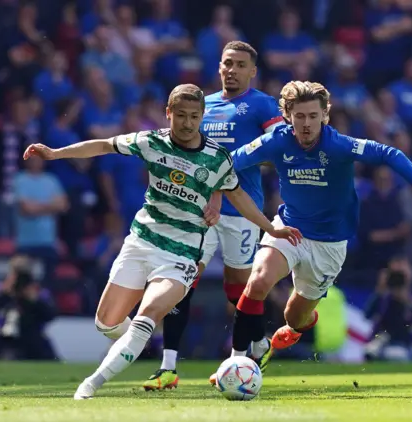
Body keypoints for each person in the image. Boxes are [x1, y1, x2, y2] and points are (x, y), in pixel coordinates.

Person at [22, 84, 301, 400]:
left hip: (180, 255)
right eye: (180, 115)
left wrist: (271, 228)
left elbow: (240, 198)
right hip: (141, 244)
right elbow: (102, 146)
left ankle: (91, 384)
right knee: (106, 324)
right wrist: (56, 153)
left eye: (194, 116)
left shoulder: (216, 159)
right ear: (168, 114)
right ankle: (137, 343)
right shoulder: (151, 141)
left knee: (147, 314)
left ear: (202, 117)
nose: (187, 122)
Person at [208, 80, 412, 384]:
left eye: (313, 116)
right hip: (289, 229)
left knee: (294, 318)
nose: (307, 123)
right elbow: (229, 163)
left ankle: (302, 322)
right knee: (257, 282)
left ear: (325, 114)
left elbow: (390, 154)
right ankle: (237, 362)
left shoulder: (339, 145)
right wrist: (214, 189)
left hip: (329, 245)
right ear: (287, 115)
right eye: (300, 116)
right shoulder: (275, 141)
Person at [143, 41, 285, 391]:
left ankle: (245, 355)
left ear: (253, 71)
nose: (232, 70)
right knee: (182, 281)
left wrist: (232, 168)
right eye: (227, 63)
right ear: (219, 67)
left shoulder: (262, 105)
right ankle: (168, 367)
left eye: (239, 64)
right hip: (198, 211)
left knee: (239, 292)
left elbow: (280, 149)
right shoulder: (204, 107)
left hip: (241, 211)